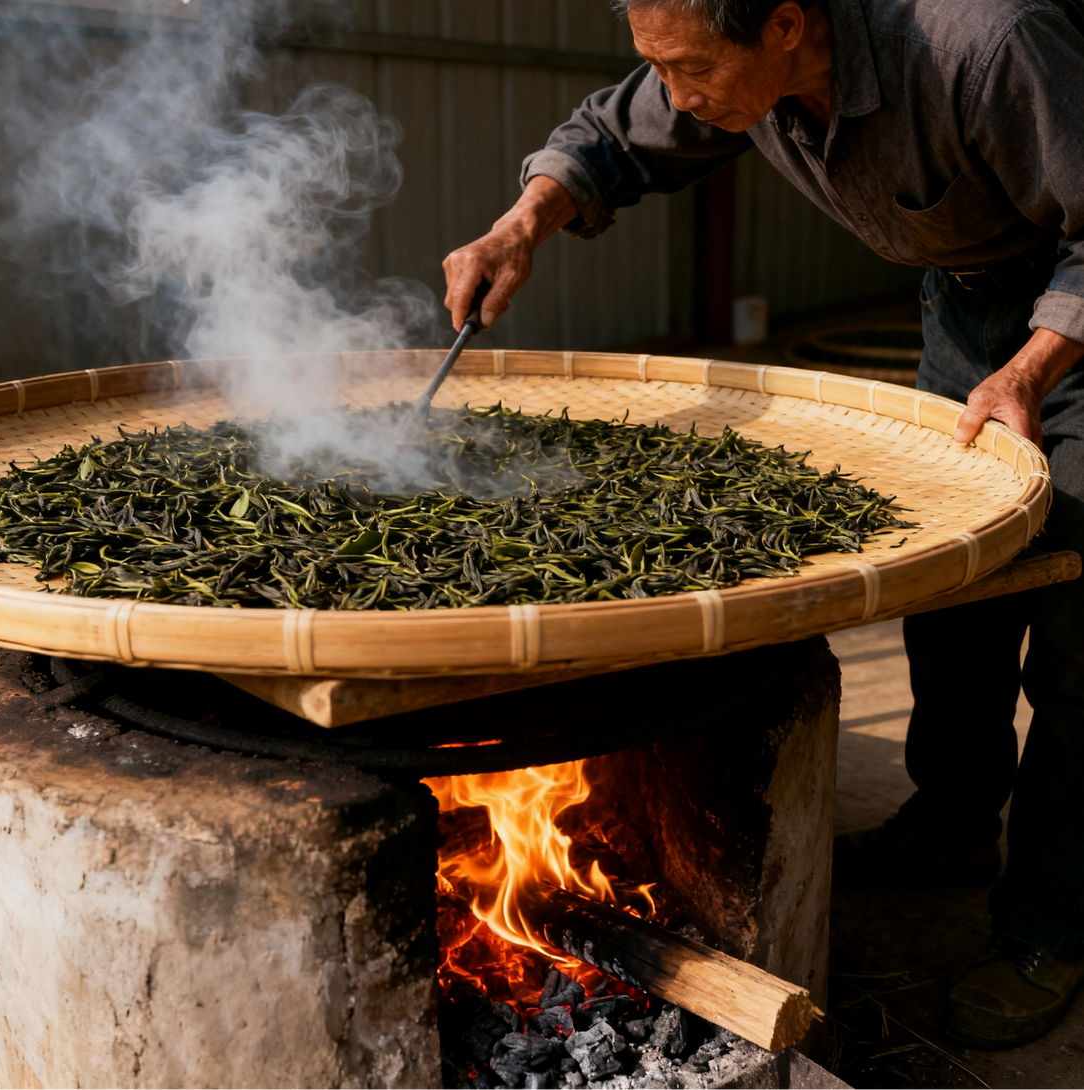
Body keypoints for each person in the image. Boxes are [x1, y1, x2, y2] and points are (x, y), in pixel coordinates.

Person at [440, 0, 1084, 1051]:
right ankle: (954, 826)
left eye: (689, 69)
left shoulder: (988, 43)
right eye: (663, 66)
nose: (678, 94)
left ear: (786, 23)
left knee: (1073, 637)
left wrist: (1027, 371)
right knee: (955, 592)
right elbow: (610, 136)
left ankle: (1051, 923)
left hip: (1069, 314)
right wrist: (519, 227)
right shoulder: (736, 68)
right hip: (967, 309)